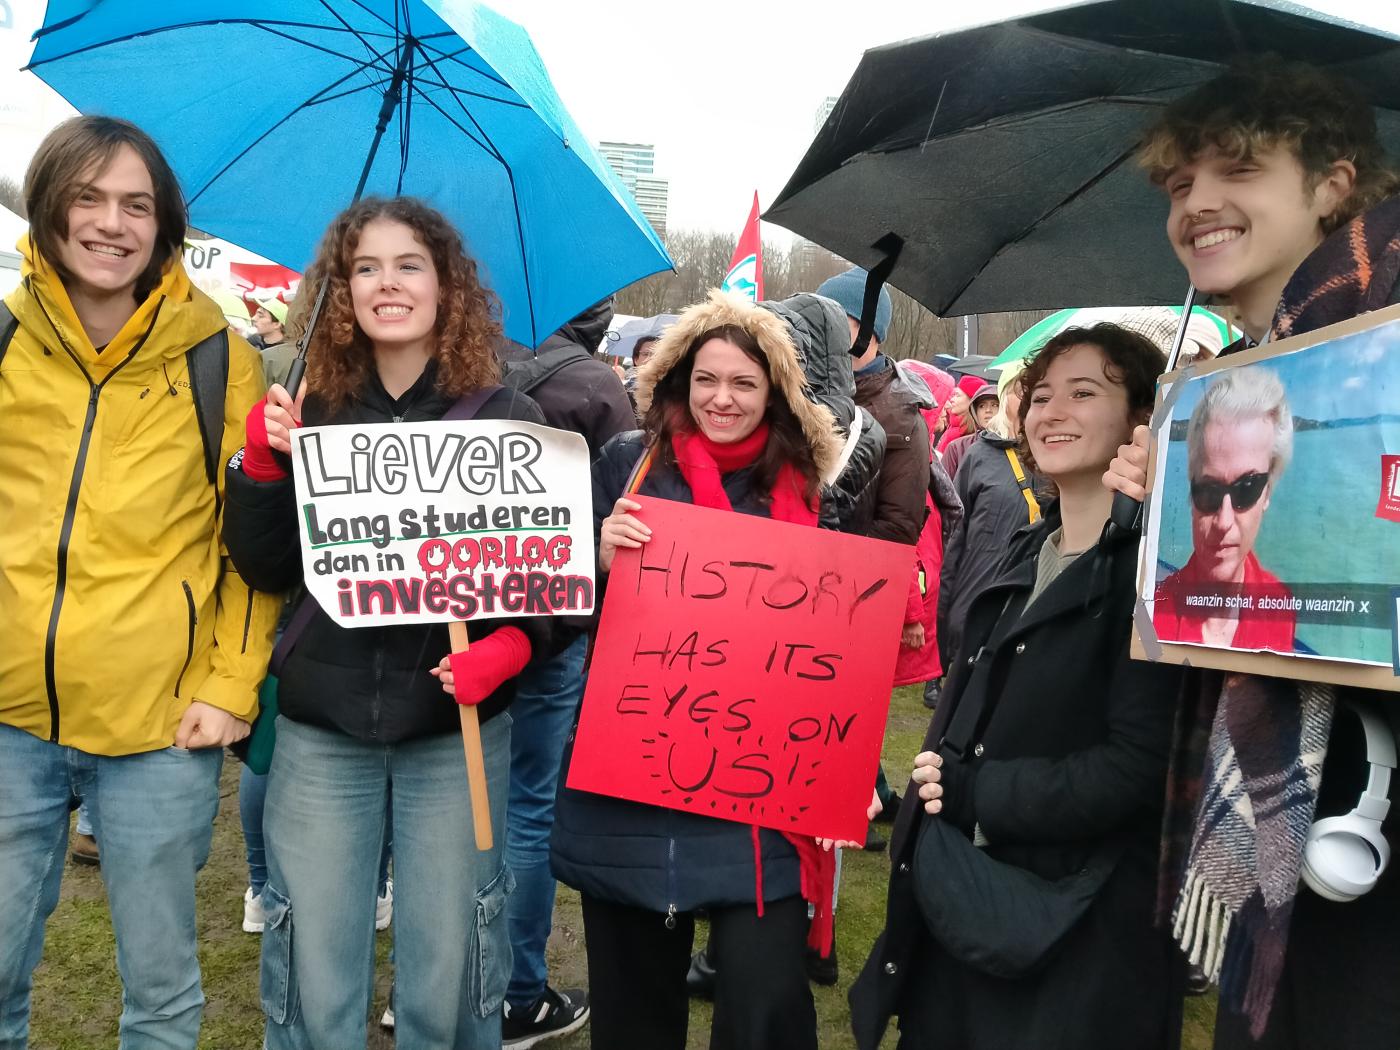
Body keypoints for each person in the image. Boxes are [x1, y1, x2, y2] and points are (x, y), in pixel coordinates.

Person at [1106, 57, 1400, 1048]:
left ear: (1333, 181)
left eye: (1235, 169)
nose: (1195, 204)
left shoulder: (1381, 340)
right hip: (1283, 840)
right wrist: (1161, 520)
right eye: (1178, 183)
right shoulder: (1232, 384)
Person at [223, 195, 551, 1050]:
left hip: (456, 729)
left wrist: (511, 646)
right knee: (316, 961)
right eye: (364, 267)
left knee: (447, 966)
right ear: (340, 289)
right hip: (323, 725)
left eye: (409, 265)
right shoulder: (310, 409)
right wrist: (263, 465)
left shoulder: (510, 418)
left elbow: (552, 588)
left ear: (448, 286)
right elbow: (266, 568)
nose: (386, 284)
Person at [0, 115, 279, 1047]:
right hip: (6, 722)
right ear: (49, 206)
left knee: (159, 993)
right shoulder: (1, 338)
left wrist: (230, 688)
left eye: (136, 204)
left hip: (160, 732)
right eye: (88, 197)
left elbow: (250, 554)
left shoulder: (220, 358)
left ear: (165, 226)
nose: (111, 223)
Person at [852, 323, 1180, 1050]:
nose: (1050, 412)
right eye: (1039, 396)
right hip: (968, 910)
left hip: (1073, 935)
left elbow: (1138, 766)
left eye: (1084, 393)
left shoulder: (1158, 575)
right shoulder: (1030, 548)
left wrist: (976, 793)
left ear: (1142, 420)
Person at [552, 290, 860, 1050]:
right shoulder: (626, 464)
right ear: (679, 382)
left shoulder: (808, 487)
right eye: (707, 380)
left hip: (761, 790)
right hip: (636, 775)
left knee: (764, 1003)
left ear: (775, 393)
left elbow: (832, 637)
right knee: (633, 1011)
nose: (722, 398)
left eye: (744, 383)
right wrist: (592, 560)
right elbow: (558, 611)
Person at [495, 297, 636, 1047]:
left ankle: (450, 980)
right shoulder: (596, 387)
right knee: (527, 808)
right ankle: (517, 992)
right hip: (556, 618)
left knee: (455, 805)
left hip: (472, 609)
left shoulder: (471, 362)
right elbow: (631, 494)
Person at [1153, 366, 1296, 652]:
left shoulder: (1281, 604)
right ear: (1192, 494)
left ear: (1267, 493)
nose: (1224, 521)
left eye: (1247, 488)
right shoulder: (1153, 613)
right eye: (1209, 492)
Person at [935, 359, 1040, 665]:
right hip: (975, 604)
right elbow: (954, 535)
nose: (1030, 397)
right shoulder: (979, 456)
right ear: (1006, 394)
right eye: (1022, 389)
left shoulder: (1053, 458)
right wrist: (943, 614)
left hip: (1028, 609)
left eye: (1039, 390)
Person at [938, 381, 999, 481]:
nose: (988, 410)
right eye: (982, 406)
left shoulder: (1017, 447)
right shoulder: (956, 447)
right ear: (975, 410)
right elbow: (944, 487)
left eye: (995, 405)